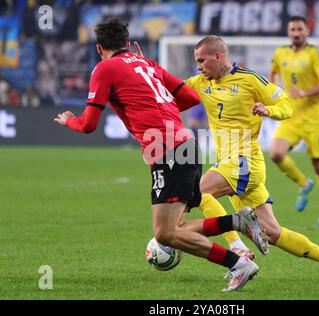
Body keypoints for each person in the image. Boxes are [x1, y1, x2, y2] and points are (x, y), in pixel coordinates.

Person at [54, 18, 267, 292]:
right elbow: (190, 97)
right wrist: (153, 99)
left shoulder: (104, 68)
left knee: (165, 233)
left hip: (167, 151)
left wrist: (69, 119)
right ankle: (238, 221)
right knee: (176, 227)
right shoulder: (149, 65)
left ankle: (238, 264)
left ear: (99, 48)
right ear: (128, 44)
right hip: (188, 145)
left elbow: (88, 125)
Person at [137, 35, 319, 291]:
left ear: (218, 56)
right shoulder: (199, 82)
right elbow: (168, 91)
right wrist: (147, 69)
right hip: (232, 168)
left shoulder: (250, 79)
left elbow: (286, 104)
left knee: (198, 193)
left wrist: (268, 110)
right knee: (272, 233)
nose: (198, 67)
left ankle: (237, 248)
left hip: (244, 163)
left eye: (201, 60)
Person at [269, 16, 319, 226]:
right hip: (291, 115)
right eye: (292, 29)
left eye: (299, 29)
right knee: (276, 154)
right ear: (288, 32)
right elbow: (273, 75)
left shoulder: (314, 53)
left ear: (306, 31)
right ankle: (303, 183)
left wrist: (305, 92)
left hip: (314, 117)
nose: (296, 33)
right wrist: (272, 94)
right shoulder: (280, 53)